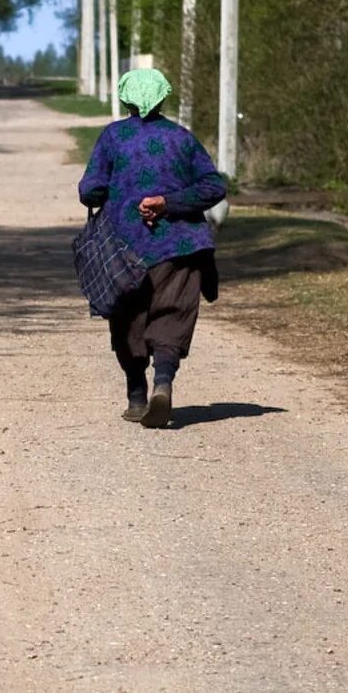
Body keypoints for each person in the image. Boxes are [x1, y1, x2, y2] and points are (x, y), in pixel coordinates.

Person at [78, 68, 227, 428]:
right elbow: (213, 187)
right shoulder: (181, 138)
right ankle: (164, 382)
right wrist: (169, 202)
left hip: (123, 247)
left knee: (128, 319)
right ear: (162, 98)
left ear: (126, 99)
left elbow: (89, 190)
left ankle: (136, 395)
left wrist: (106, 193)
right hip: (180, 244)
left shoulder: (113, 137)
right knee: (172, 314)